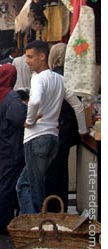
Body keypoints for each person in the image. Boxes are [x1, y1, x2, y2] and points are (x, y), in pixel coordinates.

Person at [16, 40, 88, 214]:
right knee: (30, 184)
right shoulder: (60, 79)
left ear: (43, 57)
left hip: (36, 138)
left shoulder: (38, 79)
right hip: (53, 139)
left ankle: (37, 227)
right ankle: (39, 225)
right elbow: (78, 106)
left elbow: (35, 101)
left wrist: (30, 120)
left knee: (32, 187)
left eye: (30, 57)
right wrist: (83, 130)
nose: (27, 61)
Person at [45, 43, 82, 212]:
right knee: (61, 171)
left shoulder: (51, 77)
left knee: (52, 172)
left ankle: (53, 209)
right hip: (66, 130)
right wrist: (82, 129)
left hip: (54, 129)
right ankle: (62, 208)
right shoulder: (71, 77)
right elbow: (78, 105)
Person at [0, 89, 29, 233]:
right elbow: (19, 119)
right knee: (6, 185)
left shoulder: (2, 95)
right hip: (11, 149)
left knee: (3, 184)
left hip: (5, 146)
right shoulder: (14, 101)